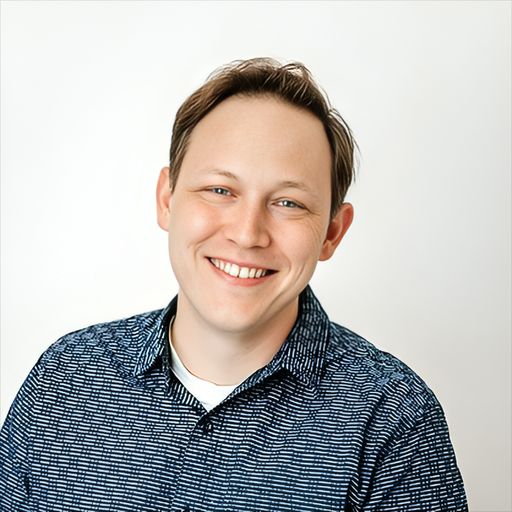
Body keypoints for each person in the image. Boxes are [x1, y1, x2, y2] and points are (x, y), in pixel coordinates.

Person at [0, 58, 468, 511]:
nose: (247, 234)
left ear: (332, 232)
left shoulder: (393, 419)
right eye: (220, 190)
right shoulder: (63, 378)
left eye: (288, 202)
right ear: (167, 199)